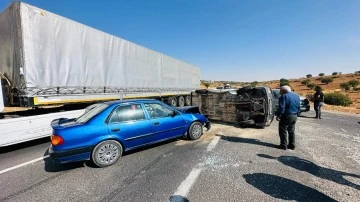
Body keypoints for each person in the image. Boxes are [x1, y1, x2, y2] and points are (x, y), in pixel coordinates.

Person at [276, 85, 300, 150]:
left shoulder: (283, 96)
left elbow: (282, 108)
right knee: (291, 131)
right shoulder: (296, 96)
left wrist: (278, 116)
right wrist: (297, 114)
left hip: (286, 116)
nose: (280, 92)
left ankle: (283, 145)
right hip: (294, 115)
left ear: (283, 91)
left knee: (283, 130)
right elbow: (298, 106)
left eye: (280, 90)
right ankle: (292, 145)